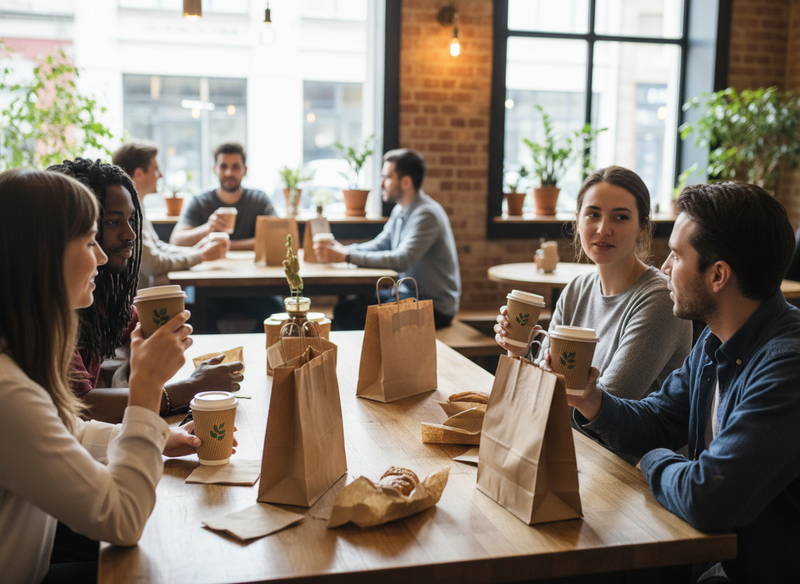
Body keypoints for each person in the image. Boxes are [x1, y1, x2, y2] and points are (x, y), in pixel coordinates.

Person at [570, 181, 800, 583]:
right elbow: (658, 419)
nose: (664, 268)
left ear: (718, 275)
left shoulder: (787, 365)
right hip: (706, 558)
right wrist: (591, 401)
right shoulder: (715, 340)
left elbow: (708, 497)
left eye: (676, 255)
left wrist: (652, 460)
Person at [0, 168, 203, 584]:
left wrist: (155, 436)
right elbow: (123, 519)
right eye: (90, 240)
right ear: (44, 255)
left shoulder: (19, 357)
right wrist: (146, 389)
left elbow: (67, 431)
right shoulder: (8, 393)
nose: (102, 257)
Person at [47, 158, 242, 423]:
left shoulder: (101, 296)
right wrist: (189, 388)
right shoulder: (52, 310)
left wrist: (160, 331)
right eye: (113, 222)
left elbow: (133, 324)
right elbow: (81, 406)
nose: (130, 234)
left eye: (131, 220)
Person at [495, 166, 692, 400]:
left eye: (621, 217)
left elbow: (608, 405)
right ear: (577, 220)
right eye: (593, 214)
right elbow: (540, 387)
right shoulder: (577, 289)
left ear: (642, 228)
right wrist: (518, 351)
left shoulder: (660, 299)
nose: (603, 229)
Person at [314, 148, 461, 329]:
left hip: (433, 306)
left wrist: (346, 257)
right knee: (345, 309)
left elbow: (402, 259)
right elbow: (381, 244)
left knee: (359, 316)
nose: (380, 183)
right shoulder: (401, 209)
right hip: (407, 295)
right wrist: (346, 250)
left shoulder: (426, 214)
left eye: (387, 177)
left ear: (406, 182)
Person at [112, 140, 228, 289]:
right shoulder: (127, 211)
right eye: (156, 169)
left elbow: (157, 247)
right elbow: (153, 264)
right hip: (138, 299)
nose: (160, 175)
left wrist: (195, 251)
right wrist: (202, 256)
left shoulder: (136, 203)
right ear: (139, 174)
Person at [170, 142, 276, 251]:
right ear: (214, 169)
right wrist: (209, 228)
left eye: (235, 167)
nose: (229, 173)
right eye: (223, 167)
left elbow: (276, 237)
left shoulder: (259, 200)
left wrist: (227, 245)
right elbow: (176, 241)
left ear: (245, 170)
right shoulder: (200, 201)